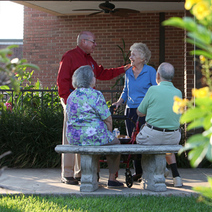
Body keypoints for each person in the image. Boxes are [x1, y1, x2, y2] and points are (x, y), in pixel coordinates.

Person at [57, 31, 131, 185]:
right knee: (70, 139)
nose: (95, 45)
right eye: (93, 42)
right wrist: (67, 102)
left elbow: (102, 73)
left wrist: (123, 69)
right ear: (83, 41)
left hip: (87, 106)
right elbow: (62, 80)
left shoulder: (89, 59)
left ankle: (81, 173)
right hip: (73, 104)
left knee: (84, 137)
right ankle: (68, 173)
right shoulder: (69, 56)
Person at [66, 65, 123, 188]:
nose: (95, 78)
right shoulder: (95, 95)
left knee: (95, 143)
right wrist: (109, 134)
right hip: (93, 135)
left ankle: (94, 176)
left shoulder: (71, 97)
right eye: (93, 76)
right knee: (115, 143)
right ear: (89, 79)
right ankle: (112, 179)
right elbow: (107, 119)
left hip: (74, 137)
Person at [112, 42, 157, 180]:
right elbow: (126, 90)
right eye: (130, 54)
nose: (130, 57)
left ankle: (149, 171)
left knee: (146, 141)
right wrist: (119, 102)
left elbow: (155, 91)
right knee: (133, 141)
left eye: (133, 54)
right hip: (130, 111)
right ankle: (138, 172)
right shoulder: (128, 71)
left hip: (145, 111)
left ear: (143, 58)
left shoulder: (150, 71)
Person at [136, 62, 183, 187]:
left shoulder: (153, 90)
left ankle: (160, 170)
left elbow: (140, 112)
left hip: (153, 135)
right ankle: (176, 176)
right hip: (173, 137)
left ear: (157, 75)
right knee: (166, 146)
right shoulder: (178, 93)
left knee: (141, 138)